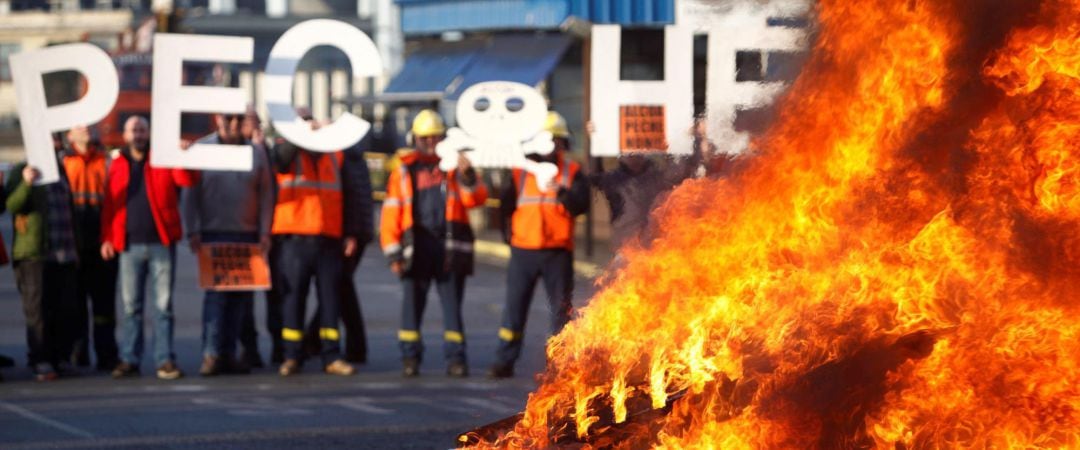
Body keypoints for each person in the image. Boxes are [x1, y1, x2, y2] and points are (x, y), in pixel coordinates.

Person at [381, 109, 488, 378]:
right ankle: (410, 358)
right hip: (415, 248)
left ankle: (456, 359)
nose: (430, 142)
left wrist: (468, 176)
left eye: (435, 137)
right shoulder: (404, 170)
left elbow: (475, 200)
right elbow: (391, 212)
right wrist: (393, 253)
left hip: (448, 248)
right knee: (411, 307)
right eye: (425, 137)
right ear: (415, 138)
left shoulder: (455, 167)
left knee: (452, 307)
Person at [488, 111, 589, 378]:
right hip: (524, 251)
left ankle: (560, 366)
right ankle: (504, 360)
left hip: (557, 251)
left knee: (560, 312)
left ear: (563, 143)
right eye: (548, 140)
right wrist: (509, 239)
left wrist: (562, 192)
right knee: (514, 308)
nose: (552, 146)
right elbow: (505, 207)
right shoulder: (520, 171)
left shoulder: (572, 171)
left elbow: (582, 205)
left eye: (557, 141)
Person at [270, 109, 365, 376]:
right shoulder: (283, 149)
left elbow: (349, 194)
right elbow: (279, 162)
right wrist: (299, 135)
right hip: (294, 237)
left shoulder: (334, 152)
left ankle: (331, 356)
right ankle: (291, 356)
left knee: (330, 301)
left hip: (329, 238)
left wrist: (351, 233)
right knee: (293, 300)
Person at [103, 116, 196, 380]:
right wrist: (107, 237)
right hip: (129, 245)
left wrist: (183, 156)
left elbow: (187, 180)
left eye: (142, 130)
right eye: (134, 130)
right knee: (131, 307)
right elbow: (110, 204)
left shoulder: (163, 158)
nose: (139, 135)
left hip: (161, 243)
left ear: (149, 133)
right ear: (125, 135)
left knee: (163, 307)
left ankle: (164, 359)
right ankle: (129, 359)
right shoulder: (117, 163)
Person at [183, 113, 274, 376]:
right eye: (228, 119)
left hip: (247, 235)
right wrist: (192, 230)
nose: (233, 125)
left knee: (241, 301)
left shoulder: (255, 152)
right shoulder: (202, 150)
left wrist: (265, 231)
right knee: (216, 298)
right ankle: (211, 354)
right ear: (218, 119)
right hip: (213, 233)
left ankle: (229, 354)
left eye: (238, 119)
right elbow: (190, 194)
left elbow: (266, 194)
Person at [5, 158, 81, 381]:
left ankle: (61, 358)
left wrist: (76, 246)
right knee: (37, 309)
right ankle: (40, 359)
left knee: (65, 309)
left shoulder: (62, 168)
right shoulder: (21, 169)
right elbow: (12, 205)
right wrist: (27, 183)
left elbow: (69, 209)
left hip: (64, 252)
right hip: (33, 253)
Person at [301, 134, 373, 365]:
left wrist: (349, 233)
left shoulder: (343, 155)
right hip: (354, 231)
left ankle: (343, 345)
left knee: (339, 290)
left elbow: (350, 197)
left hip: (346, 234)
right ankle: (319, 341)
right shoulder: (353, 154)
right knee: (339, 290)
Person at [62, 125, 120, 371]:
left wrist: (110, 238)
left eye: (88, 125)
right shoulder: (64, 161)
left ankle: (106, 353)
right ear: (69, 135)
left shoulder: (106, 160)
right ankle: (78, 351)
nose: (85, 129)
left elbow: (114, 202)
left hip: (100, 240)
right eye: (79, 126)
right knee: (74, 302)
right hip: (73, 239)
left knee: (104, 304)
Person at [236, 105, 270, 368]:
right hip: (239, 230)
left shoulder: (265, 150)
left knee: (271, 296)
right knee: (239, 299)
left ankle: (272, 348)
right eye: (249, 121)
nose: (253, 126)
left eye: (256, 121)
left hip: (263, 232)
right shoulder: (231, 150)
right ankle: (246, 348)